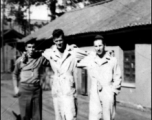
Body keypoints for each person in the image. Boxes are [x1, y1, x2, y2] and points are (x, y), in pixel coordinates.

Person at [42, 29, 87, 120]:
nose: (59, 43)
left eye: (60, 40)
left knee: (70, 116)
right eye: (56, 41)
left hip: (68, 89)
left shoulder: (72, 51)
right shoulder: (50, 52)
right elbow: (39, 56)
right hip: (57, 89)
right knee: (58, 117)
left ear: (64, 39)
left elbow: (89, 56)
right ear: (53, 41)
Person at [77, 35, 122, 120]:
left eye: (100, 45)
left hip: (107, 90)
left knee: (108, 117)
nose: (98, 48)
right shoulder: (90, 60)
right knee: (94, 117)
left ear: (104, 45)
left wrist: (113, 92)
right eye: (96, 46)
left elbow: (118, 76)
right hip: (94, 92)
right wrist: (74, 48)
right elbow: (76, 60)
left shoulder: (112, 60)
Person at [12, 39, 50, 120]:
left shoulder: (40, 58)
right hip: (24, 89)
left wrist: (46, 53)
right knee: (25, 116)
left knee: (37, 116)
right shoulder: (20, 60)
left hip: (36, 90)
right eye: (29, 47)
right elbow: (14, 74)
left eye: (33, 47)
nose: (31, 49)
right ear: (26, 48)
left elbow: (51, 62)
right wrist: (16, 87)